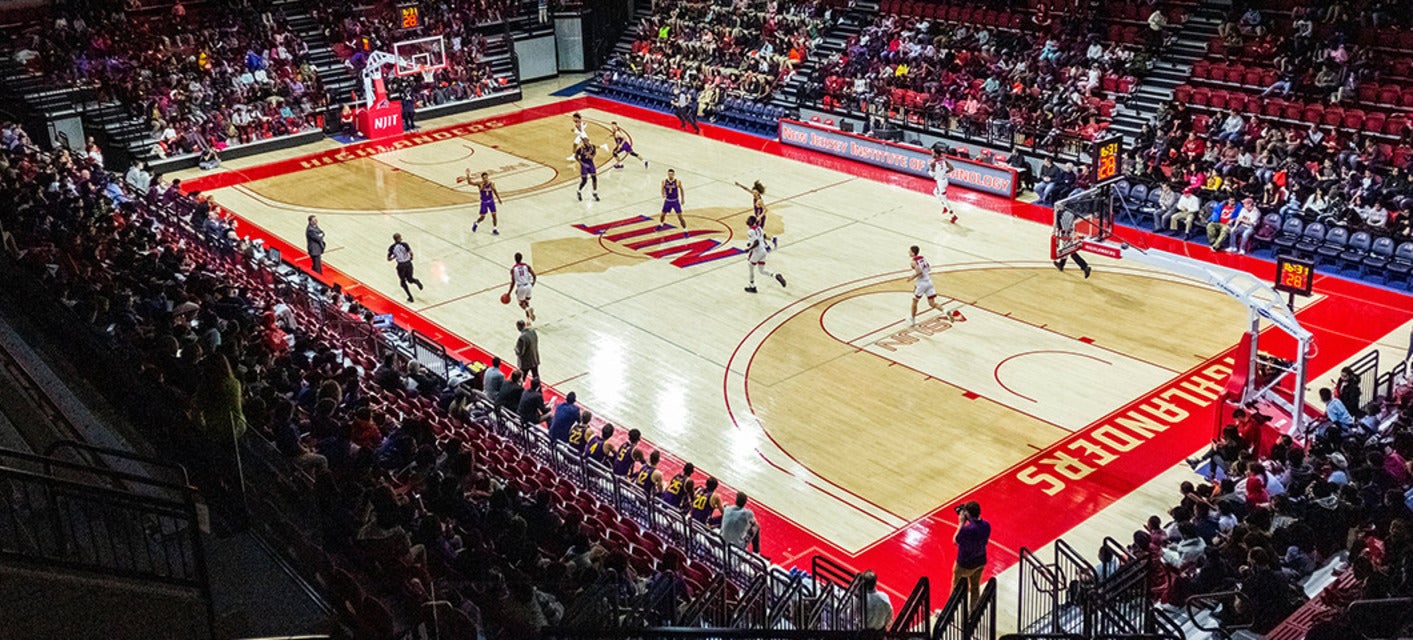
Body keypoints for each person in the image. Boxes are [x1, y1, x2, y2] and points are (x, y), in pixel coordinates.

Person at [909, 245, 964, 326]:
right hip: (929, 281)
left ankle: (912, 320)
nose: (908, 252)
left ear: (913, 253)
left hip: (922, 284)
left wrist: (912, 277)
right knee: (932, 303)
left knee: (915, 301)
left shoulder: (913, 262)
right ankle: (945, 310)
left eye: (910, 251)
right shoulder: (923, 258)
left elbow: (919, 272)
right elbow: (929, 268)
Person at [952, 500, 991, 606]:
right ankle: (973, 612)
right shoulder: (987, 525)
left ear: (967, 514)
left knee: (956, 586)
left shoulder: (967, 530)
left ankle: (949, 613)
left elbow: (955, 540)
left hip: (965, 564)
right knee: (975, 587)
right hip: (980, 561)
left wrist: (961, 523)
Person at [743, 215, 786, 293]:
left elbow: (756, 242)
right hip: (763, 251)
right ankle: (776, 275)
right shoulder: (759, 228)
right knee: (762, 270)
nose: (747, 220)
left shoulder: (750, 231)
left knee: (750, 265)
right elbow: (764, 236)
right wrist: (751, 244)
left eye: (748, 219)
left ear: (751, 222)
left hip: (757, 252)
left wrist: (749, 248)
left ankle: (752, 286)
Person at [387, 233, 424, 303]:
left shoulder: (392, 247)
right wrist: (411, 258)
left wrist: (394, 256)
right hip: (408, 264)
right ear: (399, 238)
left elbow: (388, 259)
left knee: (403, 282)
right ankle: (416, 281)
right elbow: (411, 253)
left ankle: (410, 297)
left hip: (401, 265)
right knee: (410, 279)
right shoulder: (405, 244)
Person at [506, 252, 537, 322]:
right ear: (521, 258)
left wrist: (509, 293)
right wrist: (532, 284)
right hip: (529, 286)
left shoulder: (513, 269)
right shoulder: (527, 266)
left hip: (521, 287)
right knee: (527, 303)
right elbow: (534, 276)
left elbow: (513, 282)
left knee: (522, 304)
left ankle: (528, 310)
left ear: (515, 259)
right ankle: (528, 321)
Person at [931, 151, 958, 224]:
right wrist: (945, 172)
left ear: (936, 154)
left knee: (944, 198)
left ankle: (952, 215)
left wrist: (930, 173)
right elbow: (952, 168)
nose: (931, 154)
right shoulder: (944, 161)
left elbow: (932, 174)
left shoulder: (933, 163)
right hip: (945, 180)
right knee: (935, 192)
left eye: (932, 153)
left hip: (940, 182)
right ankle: (944, 206)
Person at [658, 169, 687, 235]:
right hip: (667, 201)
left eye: (671, 174)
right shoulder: (664, 181)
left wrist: (682, 199)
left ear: (674, 174)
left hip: (675, 201)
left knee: (680, 217)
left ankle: (685, 230)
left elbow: (682, 190)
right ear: (667, 174)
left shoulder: (677, 181)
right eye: (669, 174)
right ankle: (661, 225)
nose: (670, 175)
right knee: (662, 215)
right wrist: (663, 194)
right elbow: (662, 188)